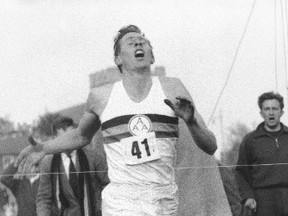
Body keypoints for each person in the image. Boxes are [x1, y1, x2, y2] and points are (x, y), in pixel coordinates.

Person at [15, 25, 217, 215]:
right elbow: (80, 136)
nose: (139, 43)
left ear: (152, 56)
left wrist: (191, 122)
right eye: (131, 42)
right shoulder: (102, 97)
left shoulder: (172, 88)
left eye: (143, 41)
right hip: (121, 204)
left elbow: (211, 146)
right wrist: (42, 149)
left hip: (163, 202)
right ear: (118, 59)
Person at [36, 116, 109, 216]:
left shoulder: (94, 156)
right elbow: (44, 198)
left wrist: (101, 208)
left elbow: (108, 186)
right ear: (54, 139)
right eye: (63, 139)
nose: (68, 143)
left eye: (71, 137)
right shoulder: (48, 162)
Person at [236, 91, 288, 216]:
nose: (271, 112)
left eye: (275, 109)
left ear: (281, 112)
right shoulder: (250, 140)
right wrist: (248, 196)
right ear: (261, 113)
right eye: (267, 109)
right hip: (263, 200)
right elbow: (240, 172)